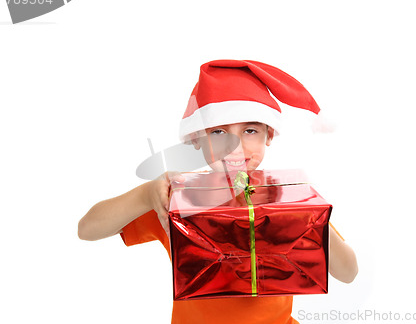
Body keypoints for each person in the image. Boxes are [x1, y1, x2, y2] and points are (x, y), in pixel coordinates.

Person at [78, 59, 358, 324]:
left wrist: (309, 218)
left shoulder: (286, 197)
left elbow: (348, 272)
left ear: (269, 135)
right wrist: (146, 194)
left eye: (249, 131)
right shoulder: (179, 201)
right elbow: (87, 229)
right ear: (197, 140)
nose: (234, 148)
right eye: (218, 133)